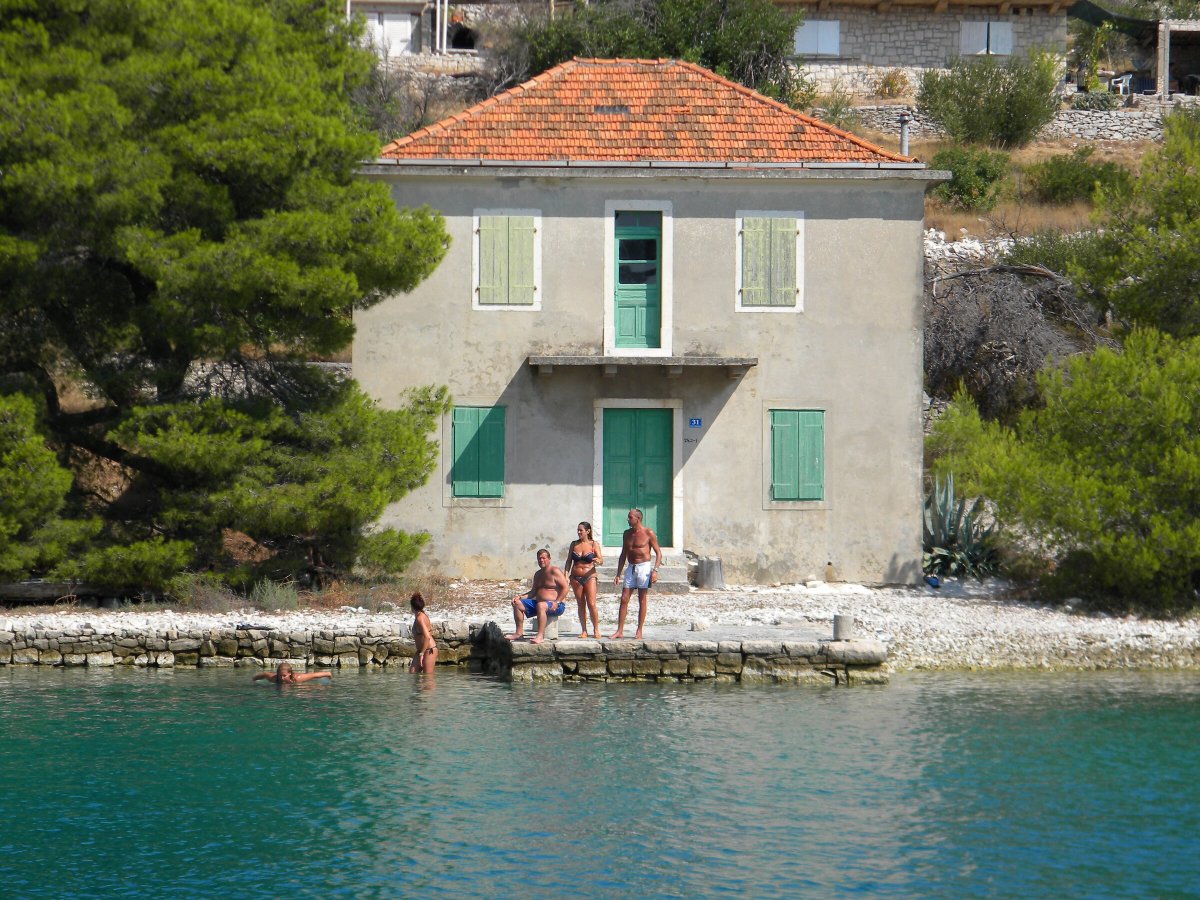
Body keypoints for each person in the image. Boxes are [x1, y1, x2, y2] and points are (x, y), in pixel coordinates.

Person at [610, 508, 662, 640]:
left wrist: (655, 571)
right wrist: (618, 573)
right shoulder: (626, 534)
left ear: (637, 518)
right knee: (623, 599)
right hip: (630, 567)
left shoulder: (648, 533)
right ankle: (619, 630)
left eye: (630, 517)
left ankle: (639, 630)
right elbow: (623, 554)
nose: (627, 519)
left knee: (642, 598)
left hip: (644, 567)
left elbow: (658, 553)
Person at [507, 548, 568, 644]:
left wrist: (557, 602)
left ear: (549, 559)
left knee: (541, 605)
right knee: (517, 603)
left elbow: (565, 588)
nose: (541, 560)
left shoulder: (554, 571)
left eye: (544, 558)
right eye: (539, 558)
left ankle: (540, 636)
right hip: (539, 604)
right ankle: (519, 633)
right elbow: (533, 592)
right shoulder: (538, 574)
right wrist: (520, 597)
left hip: (556, 605)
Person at [563, 520, 603, 639]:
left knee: (591, 603)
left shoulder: (593, 544)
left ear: (588, 531)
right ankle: (584, 630)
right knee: (581, 604)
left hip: (590, 575)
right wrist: (566, 575)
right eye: (578, 530)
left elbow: (601, 559)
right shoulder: (574, 544)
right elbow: (569, 560)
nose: (579, 532)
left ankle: (596, 629)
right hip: (575, 577)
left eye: (581, 530)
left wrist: (597, 561)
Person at [409, 591, 438, 674]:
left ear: (412, 606)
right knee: (412, 674)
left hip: (429, 650)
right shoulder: (419, 615)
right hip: (421, 650)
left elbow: (427, 637)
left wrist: (422, 654)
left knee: (427, 679)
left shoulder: (420, 618)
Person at [253, 662, 332, 684]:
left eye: (284, 676)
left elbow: (314, 675)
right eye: (280, 675)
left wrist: (328, 675)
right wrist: (254, 680)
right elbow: (264, 674)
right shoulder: (274, 678)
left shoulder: (297, 679)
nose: (281, 678)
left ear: (290, 673)